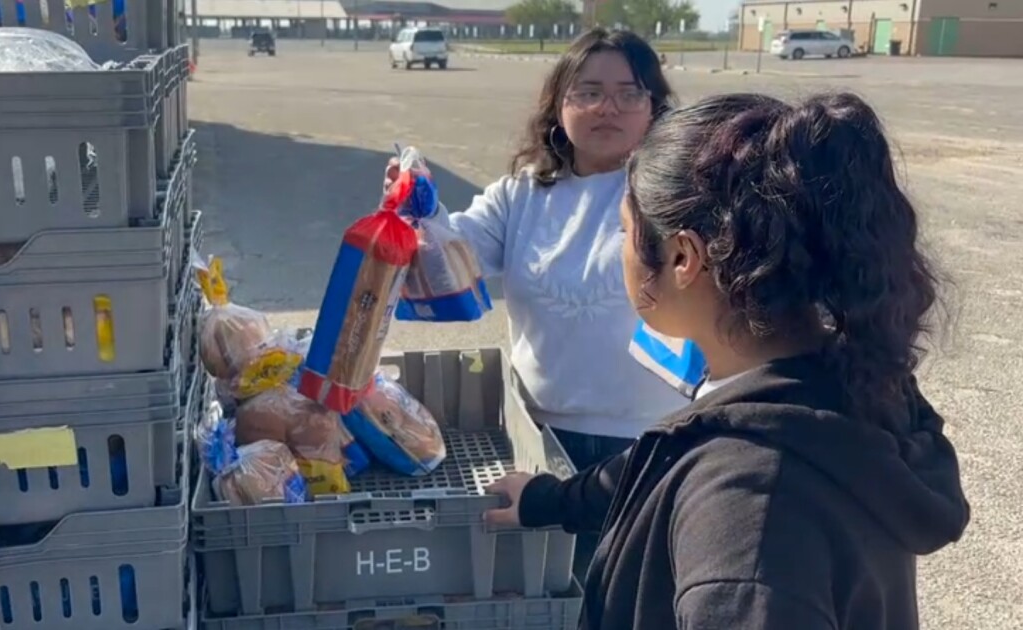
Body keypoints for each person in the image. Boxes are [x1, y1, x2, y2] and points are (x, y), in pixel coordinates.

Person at [485, 92, 970, 629]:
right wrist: (550, 500)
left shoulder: (747, 515)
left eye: (625, 231)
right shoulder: (829, 388)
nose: (620, 248)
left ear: (682, 257)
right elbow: (666, 459)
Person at [387, 27, 688, 578]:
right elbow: (451, 262)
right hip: (544, 440)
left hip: (650, 446)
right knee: (550, 594)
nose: (608, 108)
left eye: (629, 92)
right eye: (588, 91)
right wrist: (418, 212)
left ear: (654, 107)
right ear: (558, 105)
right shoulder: (522, 194)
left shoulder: (682, 196)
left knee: (635, 599)